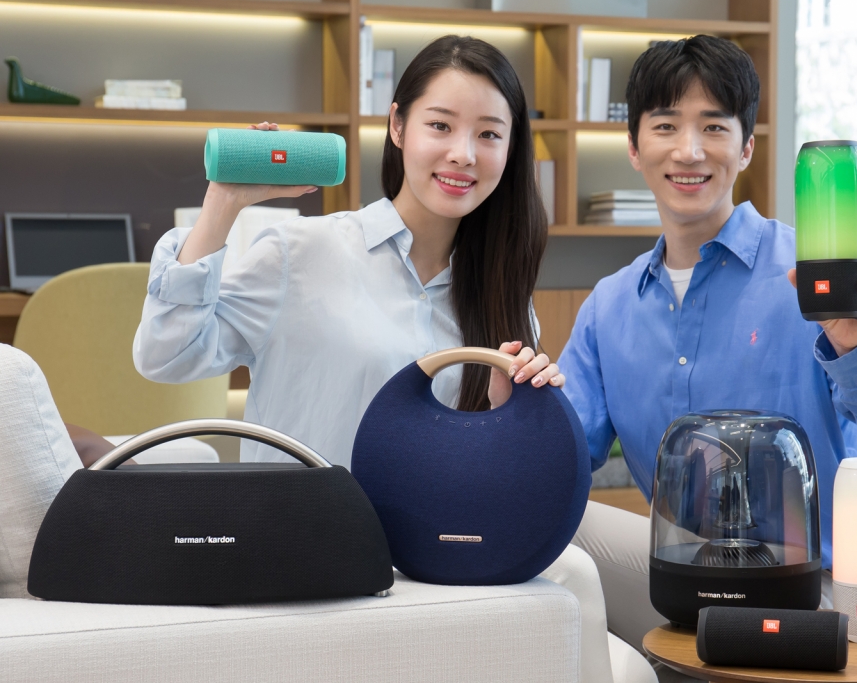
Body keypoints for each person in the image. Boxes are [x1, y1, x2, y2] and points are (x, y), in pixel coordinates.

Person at [559, 36, 857, 680]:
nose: (690, 151)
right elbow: (558, 462)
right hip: (683, 591)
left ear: (746, 147)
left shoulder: (811, 280)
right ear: (634, 146)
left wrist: (855, 346)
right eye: (666, 126)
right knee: (562, 526)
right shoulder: (609, 307)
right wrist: (506, 408)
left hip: (809, 597)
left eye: (714, 127)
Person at [134, 35, 565, 467]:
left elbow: (494, 471)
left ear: (511, 149)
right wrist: (222, 203)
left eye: (489, 134)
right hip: (304, 512)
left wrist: (512, 413)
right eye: (440, 126)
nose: (463, 154)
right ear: (397, 126)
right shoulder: (299, 253)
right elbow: (166, 356)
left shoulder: (504, 298)